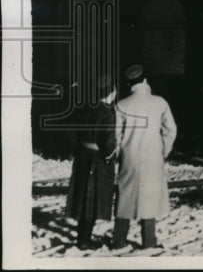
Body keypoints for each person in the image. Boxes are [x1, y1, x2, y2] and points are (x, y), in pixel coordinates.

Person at [111, 65, 178, 250]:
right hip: (152, 157)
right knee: (149, 196)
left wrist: (119, 153)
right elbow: (171, 130)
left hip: (129, 157)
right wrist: (163, 150)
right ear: (146, 81)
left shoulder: (122, 105)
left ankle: (118, 240)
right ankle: (149, 241)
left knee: (125, 197)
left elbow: (116, 135)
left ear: (129, 84)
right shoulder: (160, 102)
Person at [65, 74, 118, 249]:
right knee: (92, 201)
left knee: (83, 198)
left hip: (83, 158)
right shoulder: (107, 113)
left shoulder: (85, 108)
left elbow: (71, 131)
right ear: (110, 93)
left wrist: (77, 150)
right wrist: (110, 158)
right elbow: (109, 142)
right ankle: (84, 240)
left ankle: (83, 236)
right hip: (97, 161)